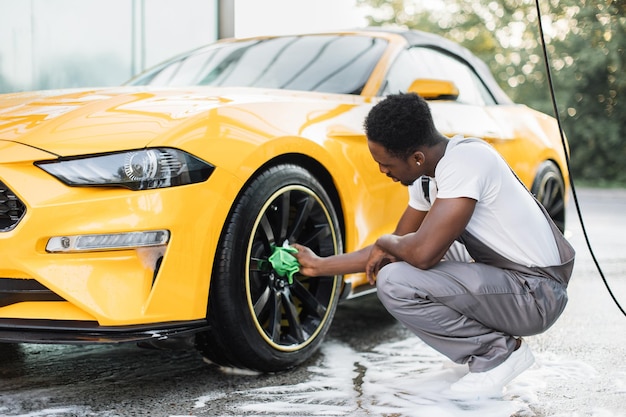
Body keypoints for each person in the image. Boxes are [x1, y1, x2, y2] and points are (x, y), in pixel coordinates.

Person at [293, 92, 575, 397]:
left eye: (385, 163)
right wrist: (319, 265)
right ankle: (485, 351)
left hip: (537, 294)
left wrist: (385, 241)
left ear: (416, 157)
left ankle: (497, 355)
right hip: (513, 281)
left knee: (394, 280)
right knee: (400, 261)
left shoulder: (466, 161)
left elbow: (419, 254)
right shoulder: (429, 177)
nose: (382, 171)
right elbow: (391, 251)